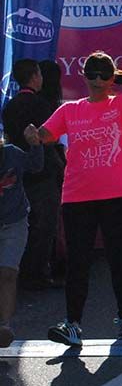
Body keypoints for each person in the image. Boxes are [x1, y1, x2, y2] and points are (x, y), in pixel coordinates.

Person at [40, 50, 122, 346]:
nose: (97, 80)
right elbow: (45, 134)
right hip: (77, 196)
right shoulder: (70, 110)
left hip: (119, 193)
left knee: (117, 257)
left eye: (103, 74)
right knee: (77, 261)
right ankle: (73, 324)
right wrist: (32, 133)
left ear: (113, 78)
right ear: (84, 76)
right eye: (91, 73)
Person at [1, 58, 63, 290]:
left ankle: (18, 269)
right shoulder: (41, 105)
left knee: (20, 223)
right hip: (42, 170)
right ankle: (37, 273)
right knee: (45, 224)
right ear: (36, 75)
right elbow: (51, 138)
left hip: (16, 171)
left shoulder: (10, 107)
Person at [0, 124, 43, 347]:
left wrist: (35, 144)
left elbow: (36, 166)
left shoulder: (12, 154)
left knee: (8, 272)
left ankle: (4, 325)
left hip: (14, 221)